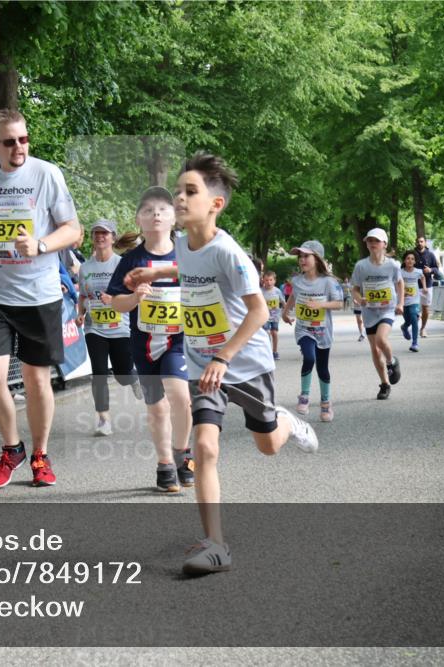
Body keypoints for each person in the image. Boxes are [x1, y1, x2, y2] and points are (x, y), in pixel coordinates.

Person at [126, 153, 318, 574]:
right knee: (206, 449)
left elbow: (258, 313)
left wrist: (224, 355)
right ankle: (216, 545)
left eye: (189, 191)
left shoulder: (230, 253)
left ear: (216, 204)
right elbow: (185, 267)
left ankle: (286, 422)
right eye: (177, 189)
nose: (178, 197)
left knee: (267, 446)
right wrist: (152, 275)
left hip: (244, 364)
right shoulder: (182, 242)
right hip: (200, 364)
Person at [0, 108, 81, 488]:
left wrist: (41, 244)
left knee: (36, 380)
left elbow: (73, 230)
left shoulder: (46, 174)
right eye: (10, 141)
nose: (19, 148)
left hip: (39, 293)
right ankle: (11, 448)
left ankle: (40, 454)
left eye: (24, 139)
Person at [107, 190, 194, 492]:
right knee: (157, 409)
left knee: (180, 395)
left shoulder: (187, 252)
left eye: (162, 209)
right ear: (138, 220)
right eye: (148, 210)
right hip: (143, 343)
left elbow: (207, 281)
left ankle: (183, 453)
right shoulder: (131, 260)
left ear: (174, 218)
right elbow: (115, 303)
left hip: (178, 340)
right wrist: (134, 297)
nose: (155, 214)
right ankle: (164, 463)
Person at [76, 219, 141, 437]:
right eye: (96, 233)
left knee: (122, 373)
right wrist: (80, 314)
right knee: (99, 373)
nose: (100, 237)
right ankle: (104, 419)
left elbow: (134, 294)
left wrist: (113, 298)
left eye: (104, 233)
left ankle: (133, 378)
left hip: (121, 327)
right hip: (95, 328)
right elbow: (83, 295)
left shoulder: (122, 264)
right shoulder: (85, 267)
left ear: (113, 238)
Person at [281, 240, 344, 422]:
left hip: (323, 331)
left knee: (322, 368)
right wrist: (285, 312)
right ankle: (304, 396)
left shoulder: (329, 282)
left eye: (306, 256)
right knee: (309, 357)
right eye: (300, 257)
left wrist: (321, 304)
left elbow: (339, 304)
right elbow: (294, 296)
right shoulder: (297, 281)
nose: (302, 260)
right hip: (304, 329)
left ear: (317, 258)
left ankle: (326, 403)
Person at [351, 228, 404, 400]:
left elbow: (400, 283)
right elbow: (355, 289)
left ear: (384, 244)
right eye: (369, 241)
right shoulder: (361, 266)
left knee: (381, 340)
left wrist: (401, 303)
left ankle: (391, 362)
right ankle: (385, 384)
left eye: (376, 241)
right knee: (374, 349)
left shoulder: (393, 265)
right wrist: (360, 299)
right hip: (369, 311)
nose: (372, 244)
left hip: (387, 309)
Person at [412, 236, 439, 338]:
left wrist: (431, 270)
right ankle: (416, 319)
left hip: (427, 285)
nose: (419, 243)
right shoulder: (412, 254)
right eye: (418, 241)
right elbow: (404, 266)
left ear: (425, 243)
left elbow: (437, 269)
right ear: (415, 243)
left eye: (421, 241)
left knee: (425, 308)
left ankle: (423, 328)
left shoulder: (431, 255)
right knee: (413, 308)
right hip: (413, 284)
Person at [399, 250, 426, 352]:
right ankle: (404, 327)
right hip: (403, 300)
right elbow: (396, 284)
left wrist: (424, 287)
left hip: (414, 299)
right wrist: (403, 292)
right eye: (408, 258)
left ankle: (415, 343)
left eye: (412, 259)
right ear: (404, 260)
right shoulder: (400, 272)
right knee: (408, 319)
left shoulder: (418, 271)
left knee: (414, 318)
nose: (410, 261)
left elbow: (422, 278)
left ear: (415, 261)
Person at [260, 271, 284, 360]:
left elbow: (283, 302)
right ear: (263, 281)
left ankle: (275, 352)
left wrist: (286, 312)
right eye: (266, 280)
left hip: (275, 316)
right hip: (264, 316)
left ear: (274, 281)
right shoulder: (260, 291)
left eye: (271, 280)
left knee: (274, 333)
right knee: (266, 333)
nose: (269, 282)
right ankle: (267, 352)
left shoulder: (277, 291)